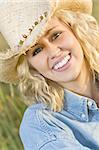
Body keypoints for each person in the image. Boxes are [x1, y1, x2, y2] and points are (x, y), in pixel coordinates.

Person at [0, 0, 99, 149]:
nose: (53, 52)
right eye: (37, 51)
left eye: (56, 35)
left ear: (74, 29)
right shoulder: (41, 124)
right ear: (32, 67)